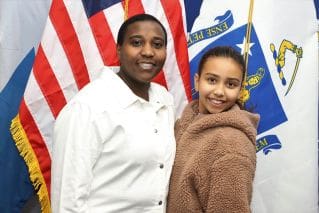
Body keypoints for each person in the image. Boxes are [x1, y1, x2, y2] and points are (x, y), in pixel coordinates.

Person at [51, 14, 176, 212]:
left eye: (157, 44)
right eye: (136, 43)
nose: (148, 52)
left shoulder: (165, 100)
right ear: (119, 49)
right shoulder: (87, 108)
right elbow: (67, 202)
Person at [167, 46, 260, 213]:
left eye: (230, 84)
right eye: (212, 80)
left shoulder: (232, 145)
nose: (219, 91)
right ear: (197, 81)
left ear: (240, 90)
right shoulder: (182, 124)